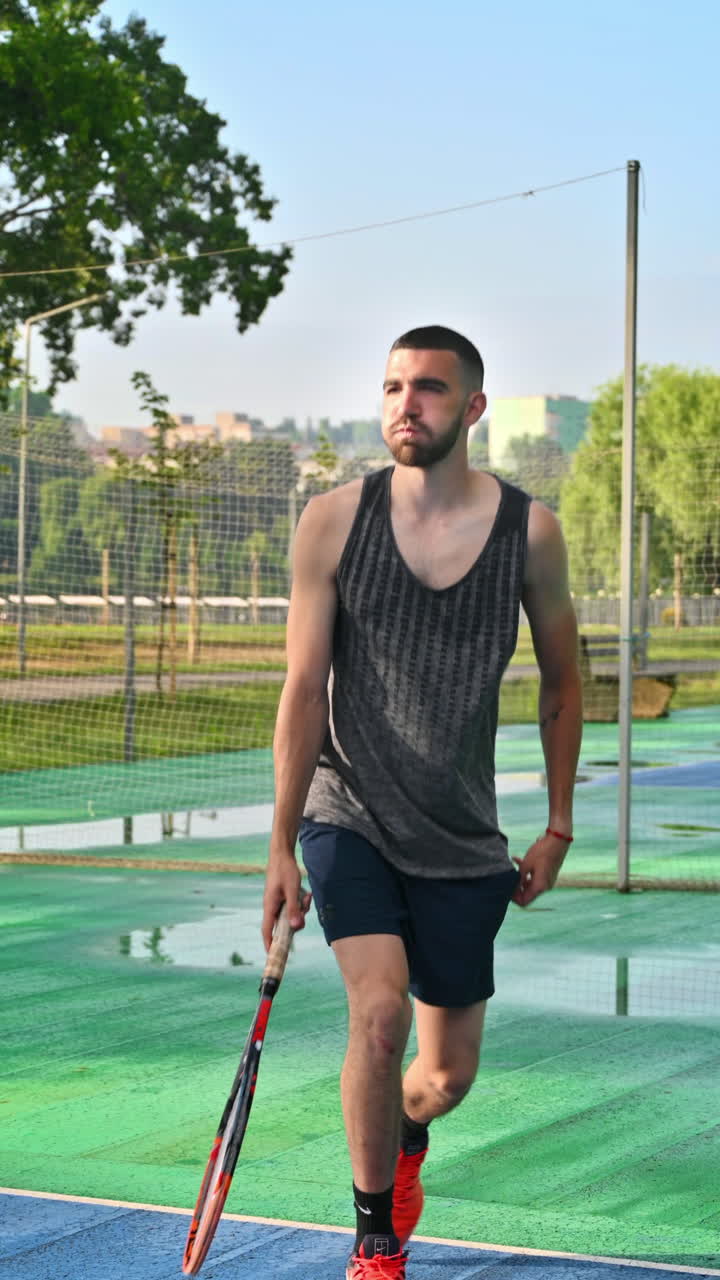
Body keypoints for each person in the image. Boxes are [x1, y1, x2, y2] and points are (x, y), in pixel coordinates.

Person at [262, 325, 582, 1280]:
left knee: (444, 1077)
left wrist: (560, 823)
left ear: (473, 408)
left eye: (432, 389)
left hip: (460, 834)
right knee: (377, 1014)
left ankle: (406, 1135)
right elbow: (302, 686)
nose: (408, 403)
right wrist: (282, 844)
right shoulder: (332, 519)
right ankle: (374, 1243)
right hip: (347, 808)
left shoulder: (531, 531)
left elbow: (565, 683)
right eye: (396, 385)